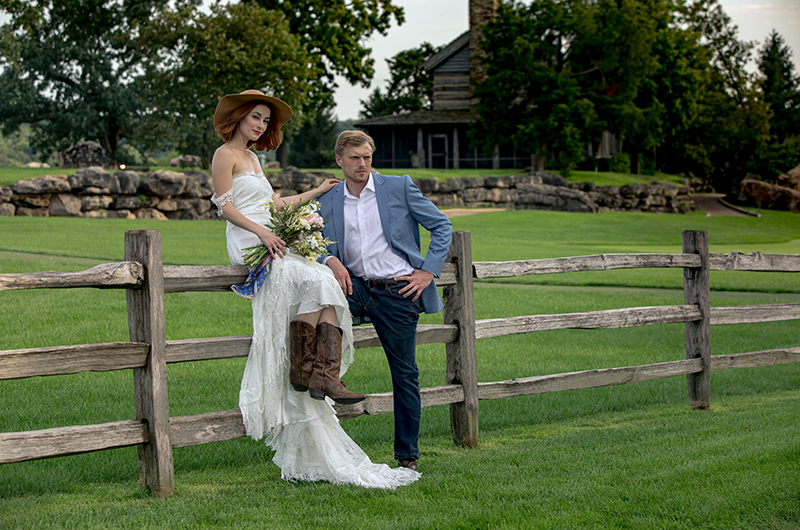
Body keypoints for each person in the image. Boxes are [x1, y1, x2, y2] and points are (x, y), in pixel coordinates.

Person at [210, 89, 419, 488]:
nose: (260, 125)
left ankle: (316, 372)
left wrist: (318, 193)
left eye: (265, 121)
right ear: (238, 117)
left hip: (268, 231)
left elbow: (276, 204)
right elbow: (225, 207)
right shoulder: (226, 155)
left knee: (324, 279)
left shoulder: (254, 158)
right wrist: (263, 234)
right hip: (247, 237)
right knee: (312, 276)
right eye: (255, 117)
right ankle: (308, 368)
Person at [318, 130, 453, 472]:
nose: (362, 164)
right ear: (339, 160)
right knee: (311, 305)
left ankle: (407, 456)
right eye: (354, 158)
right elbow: (313, 238)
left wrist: (428, 272)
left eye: (366, 157)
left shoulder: (398, 186)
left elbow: (442, 226)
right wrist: (328, 260)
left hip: (398, 290)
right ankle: (324, 377)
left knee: (404, 372)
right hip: (355, 287)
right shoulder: (330, 198)